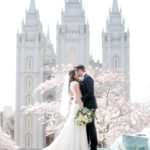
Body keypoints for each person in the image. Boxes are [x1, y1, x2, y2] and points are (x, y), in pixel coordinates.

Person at [43, 69, 89, 150]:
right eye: (76, 73)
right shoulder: (76, 84)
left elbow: (71, 96)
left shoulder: (70, 84)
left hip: (74, 107)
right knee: (78, 127)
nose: (77, 74)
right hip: (78, 106)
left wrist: (75, 99)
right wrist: (83, 109)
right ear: (73, 75)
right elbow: (78, 97)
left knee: (73, 126)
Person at [74, 64, 98, 150]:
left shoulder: (88, 78)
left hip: (90, 105)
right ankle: (87, 146)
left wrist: (81, 98)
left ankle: (93, 147)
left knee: (91, 126)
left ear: (81, 70)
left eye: (77, 71)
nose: (77, 73)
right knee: (87, 127)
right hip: (86, 106)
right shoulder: (82, 79)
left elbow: (90, 92)